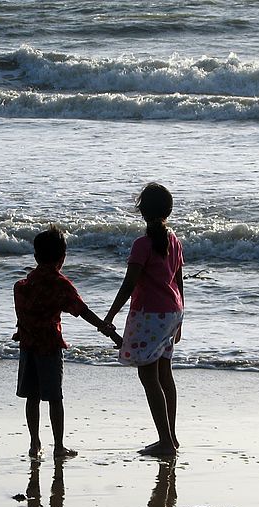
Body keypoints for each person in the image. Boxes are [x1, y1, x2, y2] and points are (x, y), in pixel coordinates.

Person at [13, 224, 122, 459]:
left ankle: (34, 444)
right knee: (54, 398)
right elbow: (82, 310)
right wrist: (109, 331)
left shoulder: (24, 285)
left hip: (28, 347)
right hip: (49, 348)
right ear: (62, 258)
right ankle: (59, 446)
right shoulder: (60, 284)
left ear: (35, 256)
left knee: (32, 397)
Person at [104, 183, 184, 456]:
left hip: (150, 315)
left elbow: (129, 284)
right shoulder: (173, 240)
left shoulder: (143, 244)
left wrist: (110, 315)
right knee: (165, 375)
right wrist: (181, 320)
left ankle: (165, 441)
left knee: (149, 377)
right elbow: (179, 280)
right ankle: (170, 436)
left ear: (142, 211)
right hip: (173, 311)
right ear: (168, 211)